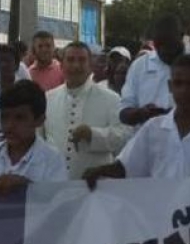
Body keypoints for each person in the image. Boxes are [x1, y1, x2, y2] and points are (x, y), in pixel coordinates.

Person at [84, 54, 190, 185]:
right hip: (158, 216)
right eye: (178, 83)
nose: (185, 90)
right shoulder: (153, 129)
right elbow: (126, 167)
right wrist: (100, 171)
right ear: (170, 86)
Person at [43, 43, 130, 179]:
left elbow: (124, 137)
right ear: (61, 66)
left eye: (82, 60)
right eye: (71, 60)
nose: (76, 66)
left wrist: (93, 134)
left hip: (96, 185)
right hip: (56, 183)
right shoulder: (48, 98)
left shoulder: (111, 98)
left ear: (90, 66)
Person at [118, 16, 190, 126]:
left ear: (182, 36)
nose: (164, 50)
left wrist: (184, 117)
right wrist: (141, 114)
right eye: (159, 45)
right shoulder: (139, 66)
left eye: (170, 44)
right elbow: (123, 112)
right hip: (149, 140)